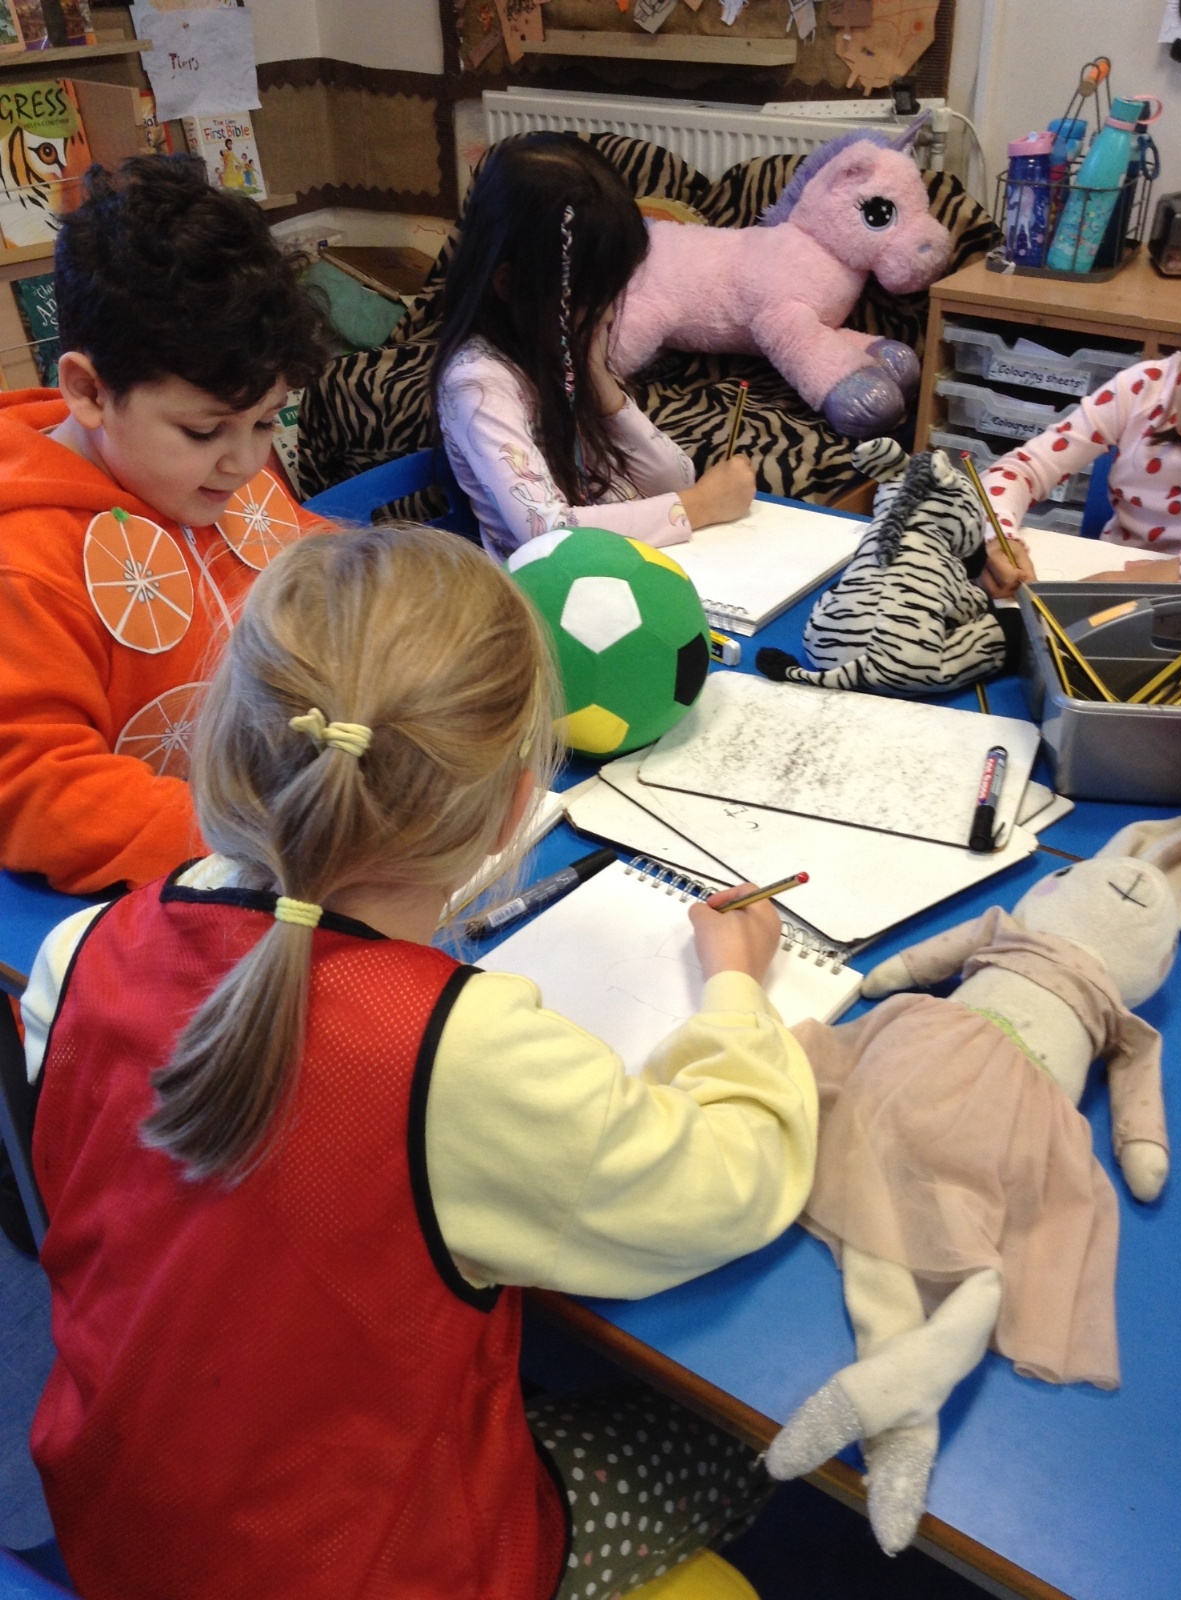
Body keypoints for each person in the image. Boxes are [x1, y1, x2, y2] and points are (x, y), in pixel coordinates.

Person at [24, 521, 820, 1600]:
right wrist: (738, 996)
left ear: (225, 748)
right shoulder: (462, 1055)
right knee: (746, 1445)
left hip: (117, 1526)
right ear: (511, 812)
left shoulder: (76, 955)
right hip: (364, 1571)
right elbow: (732, 1184)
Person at [0, 155, 331, 895]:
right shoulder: (23, 565)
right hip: (170, 900)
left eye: (266, 422)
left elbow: (311, 560)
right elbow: (42, 789)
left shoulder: (209, 475)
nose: (247, 462)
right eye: (204, 431)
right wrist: (269, 842)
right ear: (89, 391)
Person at [431, 133, 757, 563]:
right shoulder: (478, 383)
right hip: (544, 591)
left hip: (614, 571)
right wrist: (701, 505)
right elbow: (548, 533)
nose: (609, 315)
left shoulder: (559, 352)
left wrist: (602, 385)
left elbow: (674, 480)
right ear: (510, 285)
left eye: (613, 292)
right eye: (591, 298)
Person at [980, 350, 1181, 585]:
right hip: (1112, 570)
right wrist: (997, 536)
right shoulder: (1146, 388)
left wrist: (1178, 571)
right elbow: (1020, 470)